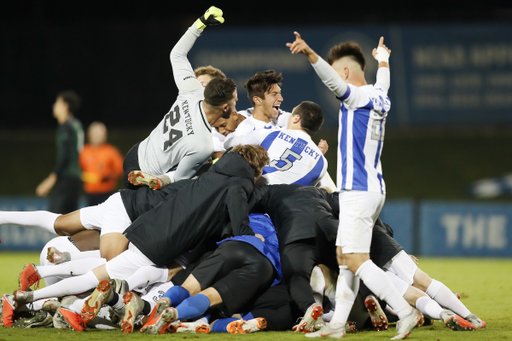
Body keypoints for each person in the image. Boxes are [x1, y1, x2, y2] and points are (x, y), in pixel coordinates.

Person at [13, 145, 269, 309]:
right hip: (159, 244)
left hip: (145, 228)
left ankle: (37, 272)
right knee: (99, 276)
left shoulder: (212, 174)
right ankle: (29, 298)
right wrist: (250, 235)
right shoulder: (240, 183)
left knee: (104, 267)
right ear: (255, 169)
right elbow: (237, 217)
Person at [287, 32, 423, 339]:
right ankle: (337, 325)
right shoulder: (380, 95)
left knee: (355, 260)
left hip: (358, 191)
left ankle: (404, 312)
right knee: (343, 259)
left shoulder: (358, 96)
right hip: (371, 188)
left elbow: (333, 83)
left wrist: (310, 53)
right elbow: (384, 80)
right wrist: (384, 58)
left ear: (345, 73)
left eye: (339, 73)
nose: (338, 80)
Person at [123, 6, 238, 191]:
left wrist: (200, 23)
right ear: (224, 107)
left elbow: (176, 54)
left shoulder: (192, 90)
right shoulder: (203, 144)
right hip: (148, 177)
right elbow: (179, 179)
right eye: (234, 102)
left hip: (136, 153)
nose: (236, 105)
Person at [225, 101, 329, 187]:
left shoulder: (272, 132)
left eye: (291, 114)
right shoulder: (322, 163)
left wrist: (232, 127)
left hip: (256, 197)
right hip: (285, 208)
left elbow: (229, 144)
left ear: (296, 118)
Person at [36, 90, 84, 214]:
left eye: (57, 103)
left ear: (65, 106)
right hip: (76, 178)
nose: (54, 106)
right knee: (70, 220)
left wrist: (50, 181)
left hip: (67, 178)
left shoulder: (66, 127)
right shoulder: (76, 124)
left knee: (55, 218)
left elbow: (65, 156)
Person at [80, 121, 124, 206]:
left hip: (107, 194)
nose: (100, 135)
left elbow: (120, 169)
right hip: (90, 194)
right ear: (90, 134)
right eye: (97, 133)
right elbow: (76, 170)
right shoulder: (84, 151)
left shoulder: (111, 151)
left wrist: (109, 175)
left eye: (102, 133)